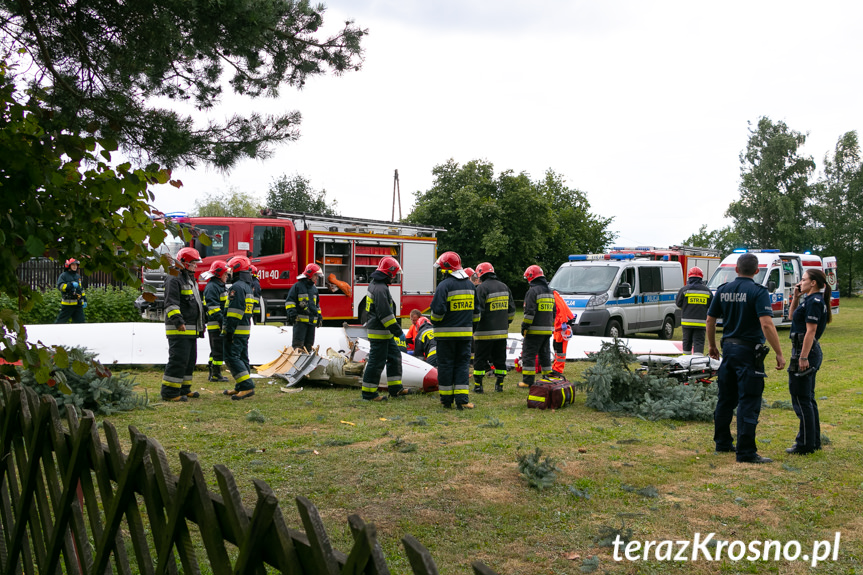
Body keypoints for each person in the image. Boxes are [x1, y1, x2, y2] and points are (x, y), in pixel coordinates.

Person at [706, 253, 785, 464]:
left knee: (726, 399)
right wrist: (778, 352)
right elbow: (767, 324)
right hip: (749, 352)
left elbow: (710, 320)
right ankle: (746, 452)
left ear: (736, 269)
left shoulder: (722, 290)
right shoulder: (758, 292)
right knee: (749, 400)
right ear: (757, 271)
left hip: (729, 349)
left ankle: (722, 443)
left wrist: (712, 345)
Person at [785, 268, 831, 455]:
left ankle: (805, 444)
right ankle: (813, 440)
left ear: (813, 283)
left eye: (803, 280)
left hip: (806, 352)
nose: (800, 283)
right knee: (808, 399)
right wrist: (795, 297)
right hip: (805, 350)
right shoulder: (809, 300)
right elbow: (791, 317)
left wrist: (803, 357)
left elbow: (810, 331)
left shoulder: (814, 302)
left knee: (801, 398)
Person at [430, 251, 479, 409]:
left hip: (445, 337)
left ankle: (446, 400)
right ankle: (462, 399)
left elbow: (437, 312)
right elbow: (477, 314)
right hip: (465, 336)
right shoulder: (471, 286)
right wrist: (470, 328)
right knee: (462, 366)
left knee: (445, 366)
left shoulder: (444, 286)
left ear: (446, 269)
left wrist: (435, 322)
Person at [360, 257, 408, 401]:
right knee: (376, 362)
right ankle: (369, 393)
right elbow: (385, 315)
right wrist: (398, 331)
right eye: (395, 274)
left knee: (394, 357)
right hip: (379, 333)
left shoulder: (378, 285)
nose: (395, 277)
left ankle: (395, 388)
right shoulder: (380, 288)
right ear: (390, 273)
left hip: (384, 332)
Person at [160, 248, 205, 402]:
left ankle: (184, 389)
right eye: (193, 263)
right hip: (179, 328)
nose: (195, 267)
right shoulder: (174, 278)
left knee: (189, 359)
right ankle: (170, 392)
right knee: (178, 359)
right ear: (185, 263)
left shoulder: (189, 278)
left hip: (191, 328)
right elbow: (171, 304)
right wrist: (179, 322)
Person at [473, 262, 515, 392]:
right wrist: (505, 323)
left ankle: (478, 386)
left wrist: (474, 327)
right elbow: (512, 310)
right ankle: (499, 385)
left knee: (480, 360)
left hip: (484, 333)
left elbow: (479, 311)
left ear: (480, 274)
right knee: (500, 360)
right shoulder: (504, 287)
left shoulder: (481, 288)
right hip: (501, 333)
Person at [222, 255, 256, 400]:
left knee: (231, 357)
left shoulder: (236, 287)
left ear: (236, 270)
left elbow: (235, 311)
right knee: (242, 357)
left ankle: (246, 386)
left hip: (235, 330)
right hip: (244, 329)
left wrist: (229, 331)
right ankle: (241, 386)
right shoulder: (248, 286)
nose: (229, 273)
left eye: (230, 270)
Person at [518, 265, 555, 389]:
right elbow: (554, 312)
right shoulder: (550, 291)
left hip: (534, 331)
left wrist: (524, 327)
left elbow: (529, 313)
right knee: (545, 355)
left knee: (528, 355)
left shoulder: (532, 291)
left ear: (530, 277)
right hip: (547, 330)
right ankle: (547, 378)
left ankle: (528, 381)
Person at [285, 263, 323, 352]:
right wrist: (292, 314)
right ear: (310, 274)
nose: (317, 277)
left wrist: (319, 317)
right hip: (300, 323)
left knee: (309, 346)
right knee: (298, 346)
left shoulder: (314, 289)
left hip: (311, 323)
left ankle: (306, 363)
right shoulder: (297, 286)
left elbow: (316, 305)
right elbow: (290, 302)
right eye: (315, 275)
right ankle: (297, 363)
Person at [202, 259, 230, 382]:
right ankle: (215, 374)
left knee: (217, 350)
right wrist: (222, 322)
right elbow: (213, 308)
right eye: (225, 274)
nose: (227, 276)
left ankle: (214, 372)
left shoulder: (218, 285)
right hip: (215, 324)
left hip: (217, 322)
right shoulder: (213, 287)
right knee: (218, 350)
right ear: (218, 274)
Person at [675, 266, 713, 355]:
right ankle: (697, 363)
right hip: (701, 323)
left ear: (689, 277)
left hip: (686, 322)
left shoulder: (684, 290)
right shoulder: (707, 291)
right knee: (699, 342)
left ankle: (685, 362)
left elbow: (678, 304)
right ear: (701, 277)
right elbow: (711, 306)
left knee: (686, 342)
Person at [551, 289, 575, 377]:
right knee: (557, 347)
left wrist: (564, 321)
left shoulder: (553, 295)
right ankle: (555, 367)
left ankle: (558, 369)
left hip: (561, 326)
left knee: (560, 349)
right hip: (558, 326)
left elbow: (561, 308)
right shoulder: (553, 294)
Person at [55, 258, 86, 323]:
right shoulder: (64, 275)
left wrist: (84, 300)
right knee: (60, 322)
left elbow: (81, 290)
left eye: (76, 265)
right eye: (73, 265)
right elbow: (60, 287)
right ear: (69, 266)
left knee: (81, 323)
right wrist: (70, 285)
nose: (75, 266)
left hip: (78, 305)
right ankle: (55, 332)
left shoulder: (78, 276)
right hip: (67, 304)